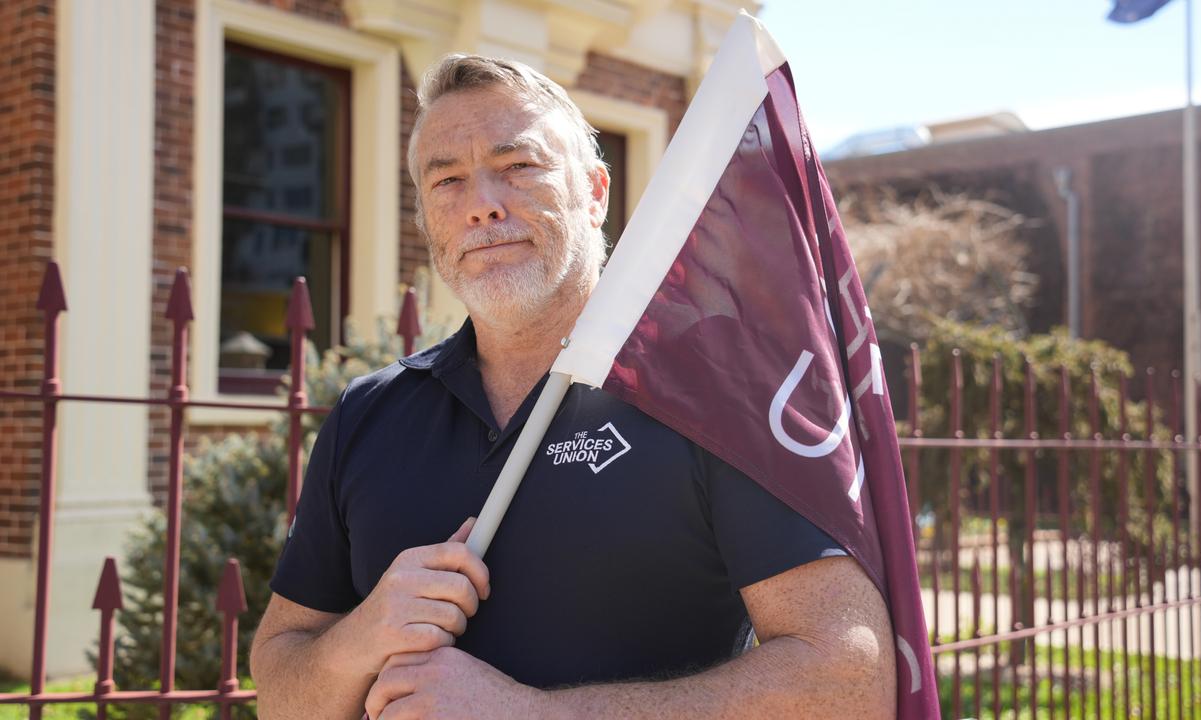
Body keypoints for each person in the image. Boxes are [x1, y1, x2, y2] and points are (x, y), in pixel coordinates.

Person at [249, 54, 896, 720]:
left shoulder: (709, 398)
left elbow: (848, 678)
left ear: (595, 192)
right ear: (424, 219)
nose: (482, 205)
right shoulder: (369, 414)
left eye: (518, 167)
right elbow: (279, 692)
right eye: (446, 180)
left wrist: (530, 714)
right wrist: (363, 635)